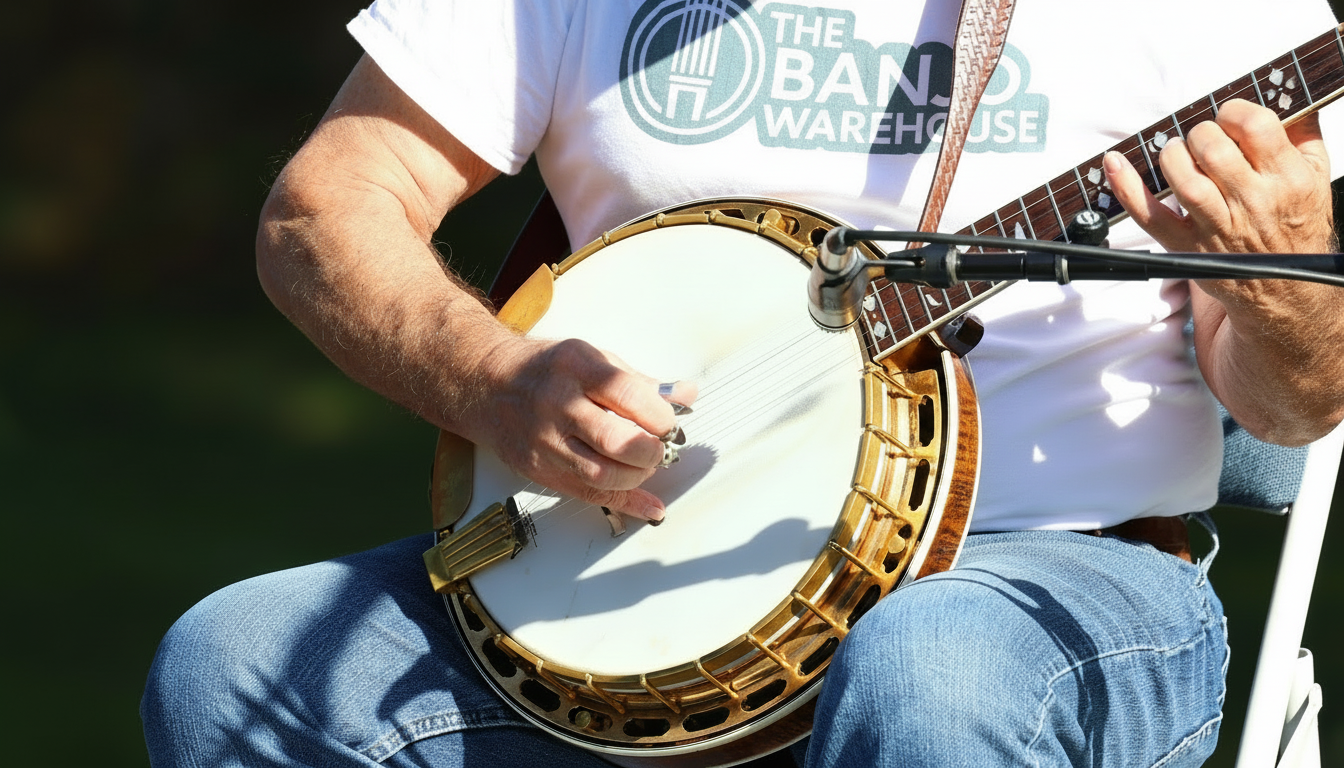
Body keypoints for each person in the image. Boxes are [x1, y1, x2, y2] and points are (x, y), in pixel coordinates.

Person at [143, 1, 1344, 765]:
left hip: (1041, 572)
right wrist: (494, 378)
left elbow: (1291, 406)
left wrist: (1289, 288)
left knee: (930, 671)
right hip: (617, 574)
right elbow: (327, 208)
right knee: (237, 659)